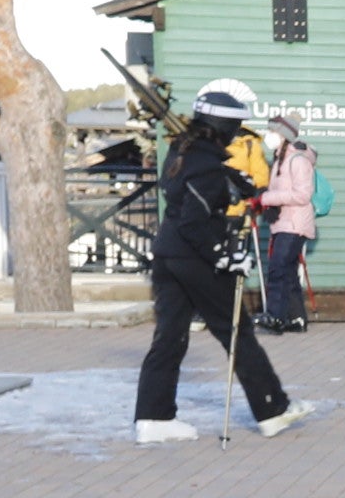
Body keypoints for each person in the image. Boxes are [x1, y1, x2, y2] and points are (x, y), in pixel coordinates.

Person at [134, 79, 302, 441]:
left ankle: (153, 418)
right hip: (196, 260)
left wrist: (231, 179)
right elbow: (196, 220)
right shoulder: (205, 163)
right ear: (224, 128)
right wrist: (225, 256)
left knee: (169, 337)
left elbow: (185, 192)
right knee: (237, 333)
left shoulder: (184, 152)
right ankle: (273, 409)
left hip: (167, 255)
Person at [253, 114, 320, 333]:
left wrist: (265, 199)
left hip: (294, 224)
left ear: (284, 135)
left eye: (272, 132)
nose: (268, 136)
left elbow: (302, 195)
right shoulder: (280, 159)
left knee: (278, 269)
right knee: (288, 271)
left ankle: (275, 316)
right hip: (284, 223)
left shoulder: (297, 161)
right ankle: (296, 318)